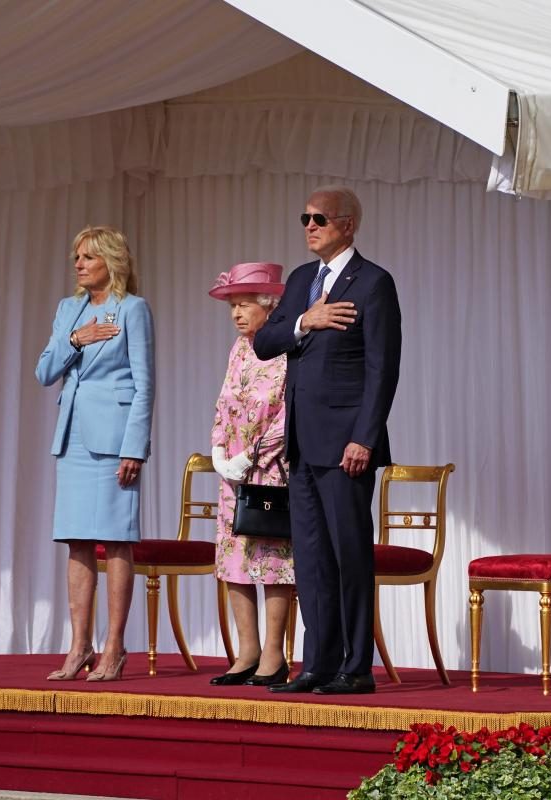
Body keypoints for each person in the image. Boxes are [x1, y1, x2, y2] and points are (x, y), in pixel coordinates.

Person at [252, 186, 401, 695]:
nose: (310, 226)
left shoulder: (374, 283)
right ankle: (317, 663)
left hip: (346, 447)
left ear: (348, 225)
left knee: (349, 554)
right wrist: (303, 320)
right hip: (301, 442)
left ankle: (356, 666)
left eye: (319, 218)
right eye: (305, 217)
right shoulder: (300, 281)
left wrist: (365, 437)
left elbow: (383, 368)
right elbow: (264, 342)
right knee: (311, 558)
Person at [35, 225, 155, 683]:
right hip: (74, 439)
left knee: (116, 539)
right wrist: (75, 340)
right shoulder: (70, 310)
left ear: (112, 262)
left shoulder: (133, 310)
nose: (79, 264)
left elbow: (145, 384)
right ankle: (78, 644)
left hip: (115, 439)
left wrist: (135, 447)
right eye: (77, 257)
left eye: (88, 257)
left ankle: (114, 647)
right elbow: (44, 372)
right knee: (77, 540)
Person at [206, 262, 294, 688]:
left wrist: (254, 456)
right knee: (234, 560)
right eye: (232, 306)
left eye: (244, 305)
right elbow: (224, 403)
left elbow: (286, 412)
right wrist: (220, 451)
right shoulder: (238, 348)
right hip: (232, 473)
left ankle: (275, 656)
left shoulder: (286, 347)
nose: (237, 314)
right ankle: (247, 652)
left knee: (272, 560)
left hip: (271, 470)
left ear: (270, 306)